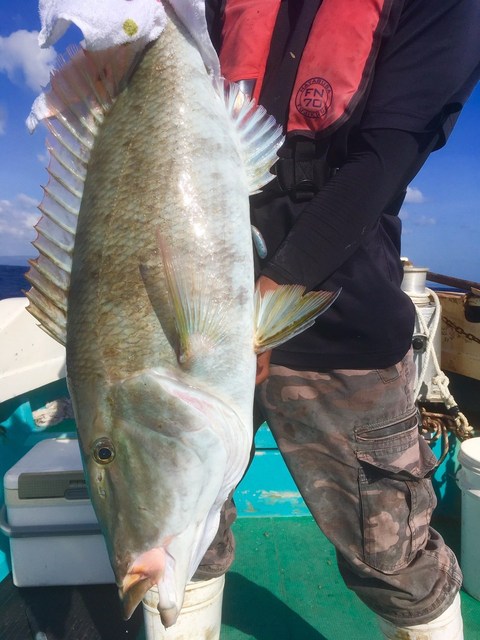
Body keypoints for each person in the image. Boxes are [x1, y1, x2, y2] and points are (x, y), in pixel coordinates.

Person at [196, 1, 480, 638]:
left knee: (392, 557)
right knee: (183, 525)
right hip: (203, 313)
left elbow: (382, 162)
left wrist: (267, 297)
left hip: (337, 318)